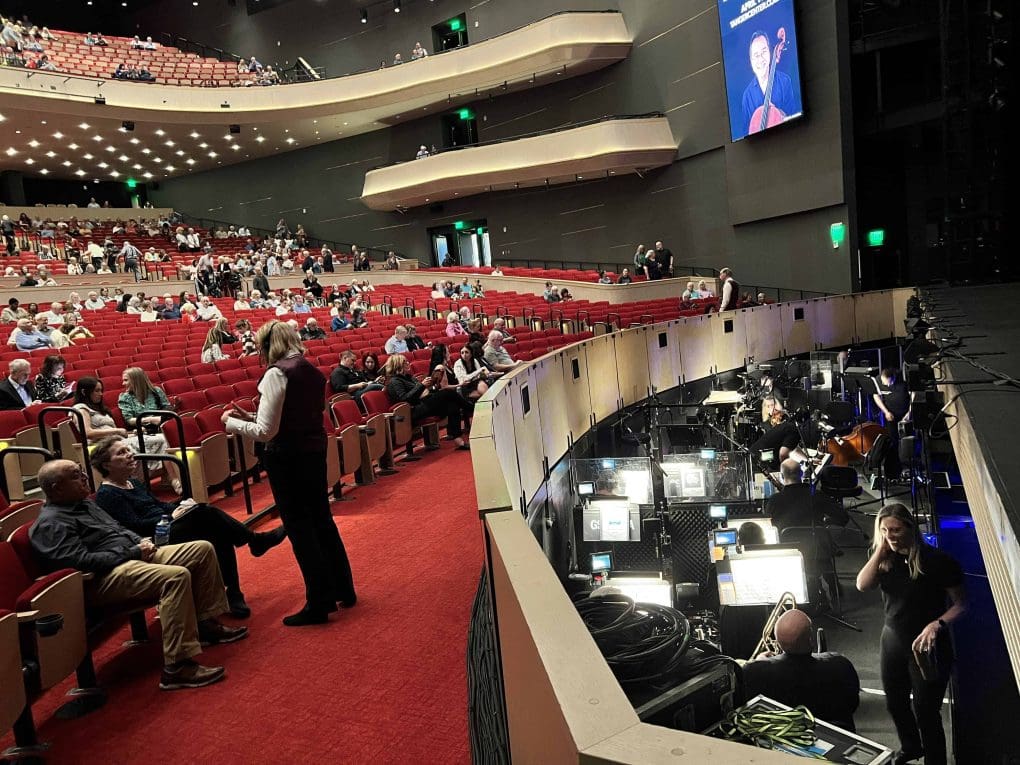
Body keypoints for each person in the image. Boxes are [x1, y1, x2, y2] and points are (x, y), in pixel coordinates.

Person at [29, 460, 246, 690]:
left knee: (201, 549)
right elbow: (81, 563)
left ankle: (205, 623)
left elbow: (118, 528)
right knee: (175, 577)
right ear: (56, 488)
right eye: (75, 475)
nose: (84, 477)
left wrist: (140, 542)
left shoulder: (84, 504)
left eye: (81, 472)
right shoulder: (51, 523)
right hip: (100, 578)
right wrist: (133, 551)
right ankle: (178, 666)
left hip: (128, 558)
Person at [222, 320, 357, 626]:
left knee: (299, 529)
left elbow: (266, 432)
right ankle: (343, 589)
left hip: (287, 458)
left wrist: (231, 424)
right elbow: (303, 413)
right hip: (313, 451)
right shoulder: (308, 368)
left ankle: (319, 602)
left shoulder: (276, 373)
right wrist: (254, 416)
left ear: (269, 344)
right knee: (322, 521)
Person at [91, 437, 287, 619]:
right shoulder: (107, 494)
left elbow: (159, 505)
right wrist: (170, 516)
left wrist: (182, 507)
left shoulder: (132, 483)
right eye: (121, 453)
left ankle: (234, 590)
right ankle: (253, 544)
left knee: (215, 529)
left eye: (128, 450)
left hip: (168, 525)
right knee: (208, 515)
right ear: (106, 464)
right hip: (152, 538)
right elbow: (134, 526)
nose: (129, 454)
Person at [856, 503, 965, 765]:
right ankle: (911, 746)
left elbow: (962, 605)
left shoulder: (937, 561)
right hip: (892, 639)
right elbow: (861, 584)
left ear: (909, 527)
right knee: (895, 703)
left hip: (927, 646)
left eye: (894, 530)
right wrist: (882, 549)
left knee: (926, 712)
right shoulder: (883, 558)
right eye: (884, 530)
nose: (889, 535)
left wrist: (936, 624)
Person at [742, 609, 860, 731]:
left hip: (782, 739)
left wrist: (760, 662)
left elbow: (749, 711)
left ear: (778, 641)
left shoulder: (753, 672)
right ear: (810, 639)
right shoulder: (840, 665)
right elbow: (853, 704)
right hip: (836, 735)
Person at [383, 355, 471, 450]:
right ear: (398, 365)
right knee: (448, 392)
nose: (408, 363)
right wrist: (422, 386)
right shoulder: (395, 381)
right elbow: (405, 399)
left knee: (452, 405)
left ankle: (459, 441)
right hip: (412, 411)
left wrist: (432, 386)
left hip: (424, 404)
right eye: (405, 362)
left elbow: (422, 392)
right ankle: (471, 408)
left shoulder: (409, 377)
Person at [741, 29, 799, 136]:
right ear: (751, 61)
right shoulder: (747, 96)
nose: (760, 59)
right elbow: (747, 135)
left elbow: (795, 117)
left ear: (770, 52)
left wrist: (778, 113)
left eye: (764, 52)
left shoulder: (785, 81)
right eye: (756, 55)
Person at [765, 458, 848, 532]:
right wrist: (824, 522)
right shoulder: (817, 495)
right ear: (801, 473)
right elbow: (843, 517)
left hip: (786, 546)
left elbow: (768, 526)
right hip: (816, 546)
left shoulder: (774, 500)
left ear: (782, 476)